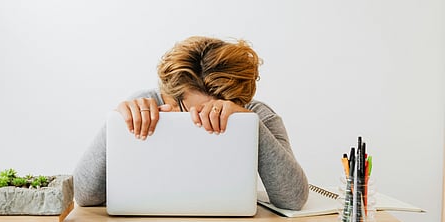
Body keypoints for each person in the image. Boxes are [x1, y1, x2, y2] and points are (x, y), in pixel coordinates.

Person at [73, 36, 309, 210]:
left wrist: (251, 125)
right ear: (173, 95)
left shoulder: (256, 114)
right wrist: (115, 124)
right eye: (193, 110)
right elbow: (84, 195)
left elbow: (293, 199)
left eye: (216, 109)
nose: (204, 119)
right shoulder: (145, 106)